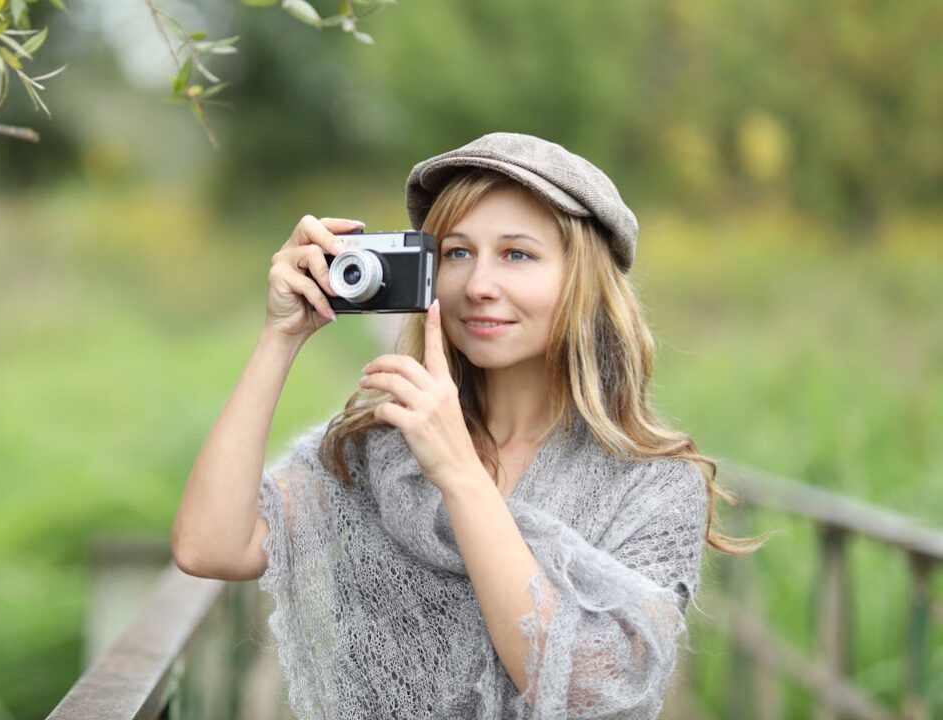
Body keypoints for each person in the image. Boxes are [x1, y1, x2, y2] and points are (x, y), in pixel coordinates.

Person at [172, 132, 766, 719]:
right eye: (456, 253)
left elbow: (589, 693)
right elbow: (209, 546)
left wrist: (458, 473)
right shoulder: (381, 444)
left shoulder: (655, 485)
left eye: (517, 254)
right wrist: (280, 336)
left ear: (583, 281)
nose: (479, 286)